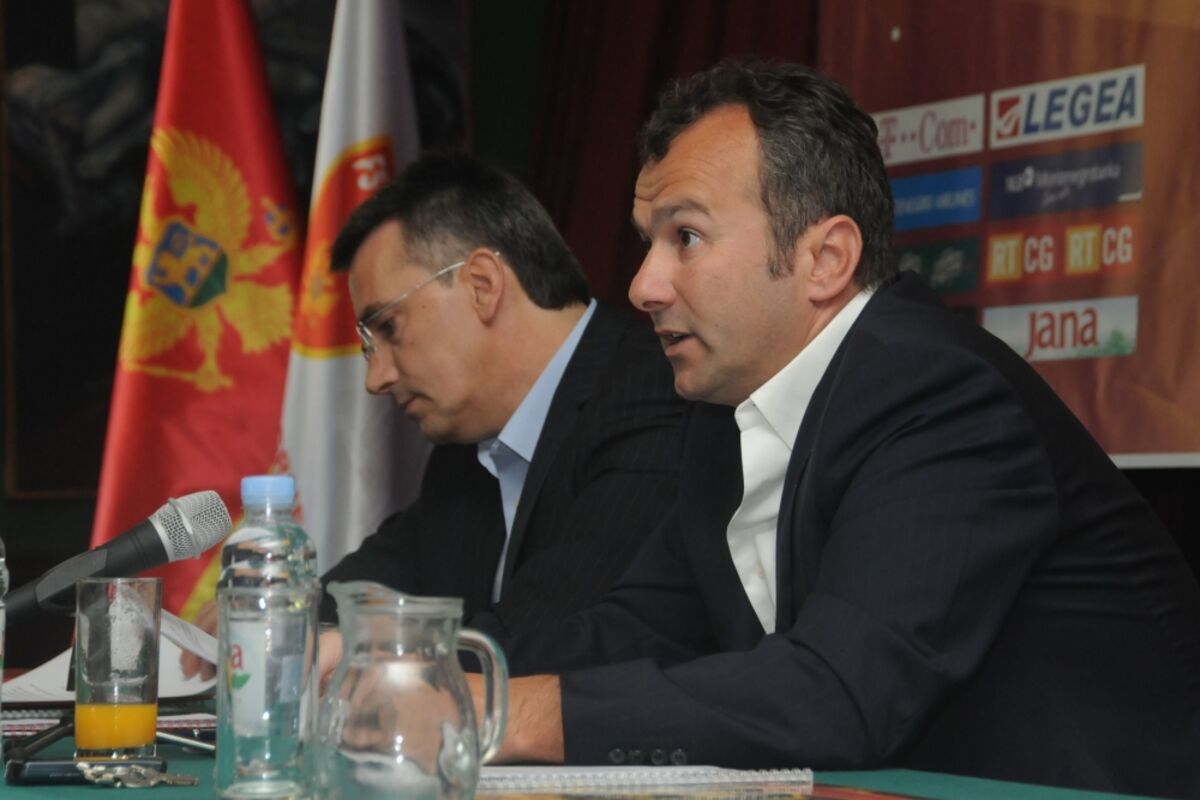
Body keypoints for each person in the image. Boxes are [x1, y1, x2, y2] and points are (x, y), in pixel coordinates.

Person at [485, 60, 1200, 798]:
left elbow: (842, 691)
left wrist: (519, 717)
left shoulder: (936, 392)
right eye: (647, 242)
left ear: (825, 259)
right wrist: (440, 676)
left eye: (686, 237)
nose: (642, 286)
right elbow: (636, 628)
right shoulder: (726, 416)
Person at [182, 152, 684, 678]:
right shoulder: (465, 451)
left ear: (482, 284)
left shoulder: (652, 397)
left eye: (389, 328)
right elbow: (380, 580)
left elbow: (547, 641)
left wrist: (361, 651)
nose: (376, 379)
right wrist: (273, 616)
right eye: (368, 346)